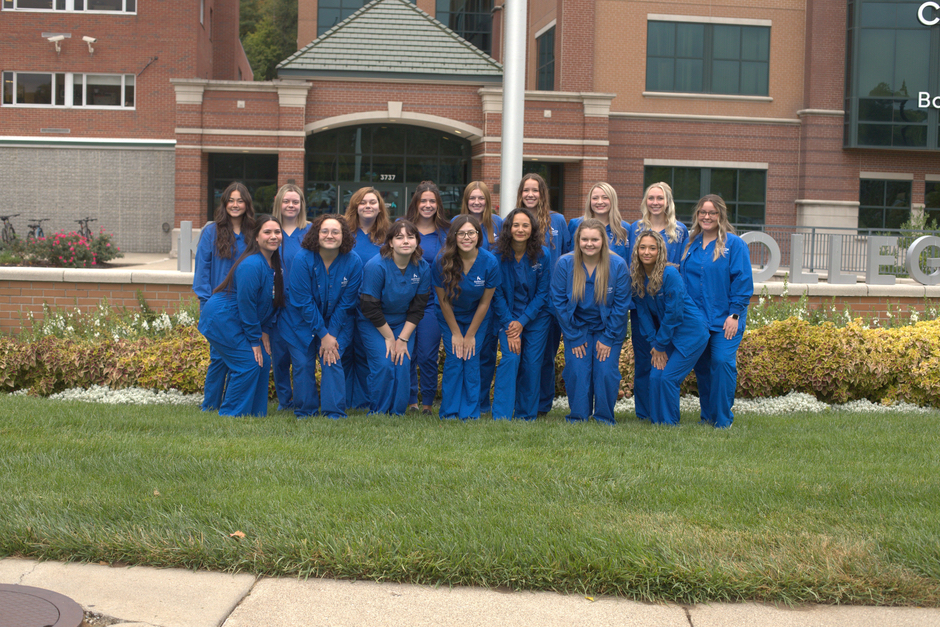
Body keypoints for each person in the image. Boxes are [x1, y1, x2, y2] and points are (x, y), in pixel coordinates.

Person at [197, 215, 283, 418]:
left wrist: (264, 331)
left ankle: (254, 413)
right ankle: (231, 415)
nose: (273, 236)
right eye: (267, 232)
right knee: (248, 363)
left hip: (239, 320)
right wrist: (254, 339)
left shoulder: (272, 265)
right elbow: (247, 304)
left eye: (277, 232)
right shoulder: (252, 264)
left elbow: (268, 302)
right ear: (256, 237)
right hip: (222, 319)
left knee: (263, 361)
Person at [680, 194, 754, 428]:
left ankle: (723, 419)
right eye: (703, 212)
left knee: (722, 363)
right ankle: (708, 416)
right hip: (697, 321)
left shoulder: (734, 244)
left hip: (726, 320)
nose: (707, 216)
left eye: (712, 213)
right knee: (702, 369)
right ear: (697, 215)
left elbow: (742, 281)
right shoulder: (690, 244)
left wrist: (734, 315)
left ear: (721, 215)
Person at [282, 214, 363, 419]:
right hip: (300, 320)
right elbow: (303, 302)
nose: (330, 235)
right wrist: (323, 335)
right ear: (316, 234)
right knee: (302, 363)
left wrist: (331, 335)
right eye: (324, 231)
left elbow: (346, 303)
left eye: (335, 231)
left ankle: (333, 412)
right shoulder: (302, 259)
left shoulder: (353, 261)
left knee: (332, 357)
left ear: (343, 235)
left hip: (337, 320)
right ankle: (305, 410)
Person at [551, 218, 630, 425]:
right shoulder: (565, 263)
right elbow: (558, 303)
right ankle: (578, 417)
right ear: (577, 241)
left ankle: (604, 417)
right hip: (577, 329)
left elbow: (621, 307)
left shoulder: (618, 265)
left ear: (603, 241)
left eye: (594, 239)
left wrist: (608, 338)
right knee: (577, 370)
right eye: (584, 239)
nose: (589, 244)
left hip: (608, 330)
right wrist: (574, 337)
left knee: (605, 372)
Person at [630, 230, 708, 425]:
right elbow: (644, 315)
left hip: (691, 334)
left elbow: (674, 314)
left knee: (668, 378)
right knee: (655, 376)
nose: (647, 252)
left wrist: (661, 344)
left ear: (660, 251)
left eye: (652, 248)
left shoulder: (670, 273)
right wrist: (655, 345)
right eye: (643, 247)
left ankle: (669, 423)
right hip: (668, 336)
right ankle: (657, 422)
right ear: (637, 251)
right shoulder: (637, 277)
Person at [193, 182, 256, 412]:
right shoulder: (211, 231)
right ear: (224, 203)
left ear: (247, 204)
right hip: (218, 305)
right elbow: (203, 268)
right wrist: (205, 302)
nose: (235, 205)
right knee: (219, 357)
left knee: (238, 356)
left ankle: (233, 401)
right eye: (231, 200)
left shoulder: (253, 231)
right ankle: (210, 405)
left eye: (240, 200)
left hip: (244, 304)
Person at [630, 182, 690, 422]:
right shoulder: (636, 228)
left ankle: (662, 410)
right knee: (645, 358)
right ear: (645, 201)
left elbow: (680, 268)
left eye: (660, 198)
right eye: (651, 198)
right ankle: (644, 412)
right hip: (643, 302)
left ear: (668, 202)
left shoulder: (680, 230)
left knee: (664, 355)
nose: (655, 202)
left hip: (668, 304)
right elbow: (634, 263)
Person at [358, 220, 431, 415]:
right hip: (374, 322)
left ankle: (397, 412)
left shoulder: (422, 268)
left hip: (403, 322)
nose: (405, 241)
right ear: (390, 242)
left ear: (417, 241)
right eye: (399, 237)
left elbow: (418, 308)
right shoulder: (376, 266)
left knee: (403, 361)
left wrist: (403, 339)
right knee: (384, 362)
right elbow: (369, 306)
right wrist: (390, 338)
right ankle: (379, 411)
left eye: (410, 237)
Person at [432, 215, 500, 420]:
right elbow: (443, 301)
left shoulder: (489, 262)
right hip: (449, 315)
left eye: (471, 232)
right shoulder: (441, 260)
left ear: (478, 236)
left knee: (470, 358)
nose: (466, 237)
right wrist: (455, 333)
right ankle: (449, 411)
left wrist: (469, 335)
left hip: (477, 316)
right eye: (461, 233)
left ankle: (470, 412)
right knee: (454, 357)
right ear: (453, 236)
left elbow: (485, 303)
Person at [517, 172, 571, 416]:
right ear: (520, 194)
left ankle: (542, 405)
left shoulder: (557, 221)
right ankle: (521, 402)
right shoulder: (514, 219)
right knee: (522, 357)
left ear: (542, 194)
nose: (530, 194)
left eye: (535, 190)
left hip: (551, 301)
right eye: (526, 190)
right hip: (520, 300)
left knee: (546, 357)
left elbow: (569, 258)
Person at [490, 207, 552, 420]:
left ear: (532, 229)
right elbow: (496, 294)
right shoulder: (496, 256)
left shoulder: (543, 254)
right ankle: (502, 415)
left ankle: (526, 415)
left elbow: (543, 293)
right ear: (508, 228)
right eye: (516, 225)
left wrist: (523, 322)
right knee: (511, 358)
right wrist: (510, 324)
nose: (520, 229)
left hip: (536, 318)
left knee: (532, 364)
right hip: (506, 317)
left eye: (525, 225)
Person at [343, 187, 393, 410]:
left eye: (373, 202)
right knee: (344, 353)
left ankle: (363, 402)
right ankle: (342, 399)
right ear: (355, 206)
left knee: (365, 355)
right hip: (344, 303)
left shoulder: (387, 236)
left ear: (380, 207)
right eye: (362, 202)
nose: (368, 206)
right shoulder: (345, 233)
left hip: (372, 308)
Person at [405, 181, 451, 414]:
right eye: (423, 200)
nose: (427, 205)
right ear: (416, 202)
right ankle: (411, 400)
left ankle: (427, 403)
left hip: (433, 303)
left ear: (438, 204)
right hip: (405, 302)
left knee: (426, 355)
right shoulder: (403, 227)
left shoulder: (447, 231)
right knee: (408, 353)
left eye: (432, 201)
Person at [461, 181, 503, 412]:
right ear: (466, 201)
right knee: (465, 353)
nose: (476, 202)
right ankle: (465, 399)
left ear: (488, 201)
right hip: (465, 300)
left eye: (481, 198)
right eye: (472, 198)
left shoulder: (498, 224)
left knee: (486, 353)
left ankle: (482, 402)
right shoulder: (457, 224)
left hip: (492, 298)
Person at [271, 184, 311, 411]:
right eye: (286, 201)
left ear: (301, 205)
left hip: (301, 306)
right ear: (279, 203)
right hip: (276, 305)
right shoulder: (270, 229)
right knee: (279, 357)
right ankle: (284, 401)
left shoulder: (311, 231)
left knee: (302, 358)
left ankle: (303, 400)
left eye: (295, 202)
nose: (291, 205)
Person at [567, 182, 631, 261]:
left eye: (605, 197)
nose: (600, 202)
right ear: (589, 201)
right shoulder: (576, 224)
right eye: (595, 198)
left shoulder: (624, 228)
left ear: (612, 200)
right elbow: (568, 256)